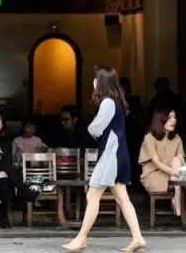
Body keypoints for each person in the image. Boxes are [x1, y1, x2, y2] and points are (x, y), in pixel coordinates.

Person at [62, 66, 145, 253]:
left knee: (93, 195)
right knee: (122, 197)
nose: (93, 81)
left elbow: (95, 129)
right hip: (117, 154)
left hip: (110, 156)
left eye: (95, 78)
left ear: (101, 82)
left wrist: (90, 125)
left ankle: (81, 239)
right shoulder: (117, 102)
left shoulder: (108, 103)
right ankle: (138, 237)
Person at [138, 109, 186, 216]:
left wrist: (181, 167)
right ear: (160, 120)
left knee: (177, 160)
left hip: (171, 177)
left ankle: (177, 198)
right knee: (182, 183)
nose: (173, 120)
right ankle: (179, 203)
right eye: (169, 117)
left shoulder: (177, 138)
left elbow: (181, 158)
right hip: (153, 176)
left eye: (174, 117)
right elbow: (157, 163)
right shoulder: (149, 138)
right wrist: (177, 173)